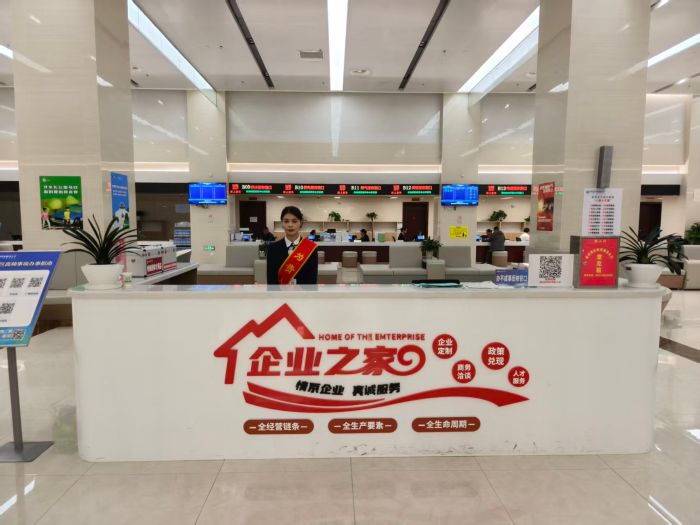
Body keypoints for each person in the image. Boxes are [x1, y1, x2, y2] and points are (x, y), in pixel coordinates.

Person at [267, 206, 318, 285]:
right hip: (280, 292)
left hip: (304, 292)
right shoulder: (273, 248)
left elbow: (312, 280)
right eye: (286, 221)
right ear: (282, 224)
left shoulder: (310, 248)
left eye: (294, 221)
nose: (290, 225)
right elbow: (271, 281)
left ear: (301, 223)